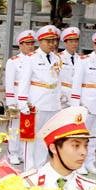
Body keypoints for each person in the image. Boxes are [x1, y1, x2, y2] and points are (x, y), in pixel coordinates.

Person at [68, 31, 96, 174]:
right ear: (94, 45)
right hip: (86, 103)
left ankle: (90, 162)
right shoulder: (84, 60)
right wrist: (76, 105)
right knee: (81, 137)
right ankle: (78, 164)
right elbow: (76, 83)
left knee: (95, 136)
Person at [19, 24, 63, 171]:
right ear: (40, 41)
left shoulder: (57, 58)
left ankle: (40, 166)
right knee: (31, 137)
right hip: (37, 102)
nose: (52, 44)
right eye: (48, 41)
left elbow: (58, 81)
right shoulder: (31, 58)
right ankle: (29, 168)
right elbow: (24, 81)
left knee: (46, 136)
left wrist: (59, 100)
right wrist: (22, 102)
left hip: (52, 103)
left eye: (54, 41)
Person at [3, 31, 36, 166]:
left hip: (30, 97)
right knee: (15, 128)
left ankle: (23, 153)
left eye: (32, 43)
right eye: (27, 44)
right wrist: (11, 102)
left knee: (27, 127)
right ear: (20, 45)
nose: (30, 46)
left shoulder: (35, 59)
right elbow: (9, 83)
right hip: (16, 97)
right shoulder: (13, 61)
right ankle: (13, 153)